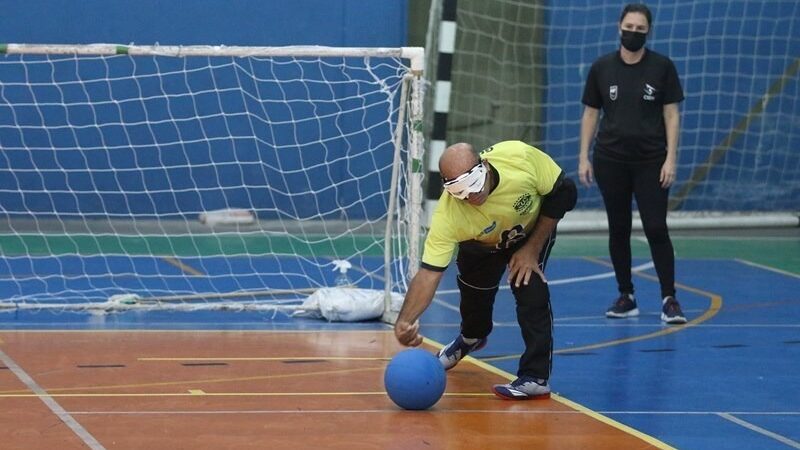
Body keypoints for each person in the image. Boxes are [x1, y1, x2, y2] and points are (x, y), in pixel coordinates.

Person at [393, 140, 577, 400]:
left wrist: (531, 249)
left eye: (474, 182)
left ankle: (536, 377)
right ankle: (471, 337)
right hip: (481, 242)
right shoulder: (449, 216)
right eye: (459, 190)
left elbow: (565, 193)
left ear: (485, 165)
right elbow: (429, 273)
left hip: (530, 233)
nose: (472, 195)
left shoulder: (519, 159)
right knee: (473, 294)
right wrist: (404, 321)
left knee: (528, 287)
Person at [578, 3, 687, 324]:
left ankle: (670, 298)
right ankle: (626, 295)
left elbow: (671, 114)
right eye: (629, 27)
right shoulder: (602, 68)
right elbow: (590, 114)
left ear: (648, 31)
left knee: (655, 227)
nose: (633, 33)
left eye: (640, 29)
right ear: (619, 27)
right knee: (619, 228)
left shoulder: (662, 67)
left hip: (652, 160)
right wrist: (583, 156)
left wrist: (671, 158)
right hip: (610, 159)